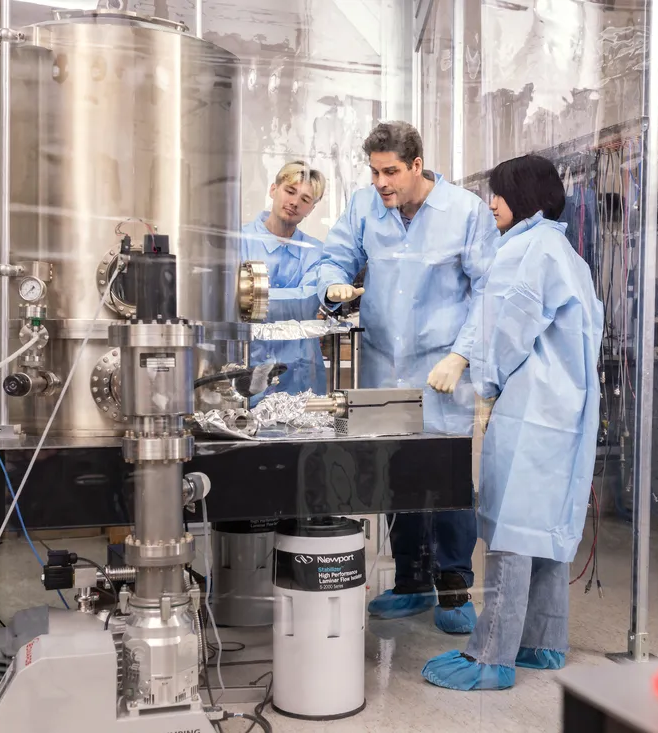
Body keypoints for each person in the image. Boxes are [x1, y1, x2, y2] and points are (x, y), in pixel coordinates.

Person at [421, 155, 604, 690]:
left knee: (510, 529)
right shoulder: (565, 251)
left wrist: (488, 382)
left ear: (522, 195)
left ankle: (490, 656)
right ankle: (543, 643)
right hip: (567, 410)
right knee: (544, 526)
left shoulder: (522, 250)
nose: (491, 203)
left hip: (529, 407)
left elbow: (507, 330)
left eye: (498, 193)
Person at [315, 121, 499, 634]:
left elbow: (488, 292)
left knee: (445, 477)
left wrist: (462, 356)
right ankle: (412, 583)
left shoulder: (464, 212)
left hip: (441, 370)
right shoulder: (363, 206)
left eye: (390, 171)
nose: (381, 183)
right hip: (383, 365)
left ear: (417, 165)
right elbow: (337, 256)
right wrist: (332, 285)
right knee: (398, 476)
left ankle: (455, 587)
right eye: (374, 172)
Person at [241, 161, 328, 399]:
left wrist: (250, 294)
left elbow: (308, 302)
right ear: (273, 189)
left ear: (311, 209)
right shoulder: (238, 242)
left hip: (300, 377)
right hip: (248, 372)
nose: (294, 202)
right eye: (290, 191)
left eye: (305, 199)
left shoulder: (315, 252)